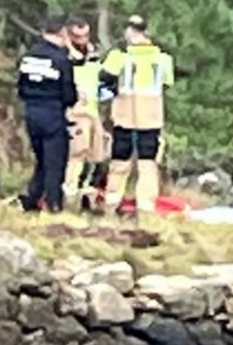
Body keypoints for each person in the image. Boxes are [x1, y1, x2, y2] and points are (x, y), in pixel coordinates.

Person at [99, 14, 174, 214]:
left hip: (124, 117)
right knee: (148, 164)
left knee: (119, 162)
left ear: (129, 31)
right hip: (151, 118)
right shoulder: (163, 59)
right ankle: (146, 207)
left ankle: (111, 203)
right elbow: (167, 83)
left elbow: (104, 80)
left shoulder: (119, 57)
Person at [16, 15, 78, 213]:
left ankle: (33, 199)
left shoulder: (29, 56)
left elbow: (21, 88)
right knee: (55, 162)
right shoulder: (60, 59)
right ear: (62, 33)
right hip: (52, 113)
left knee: (41, 159)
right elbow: (68, 94)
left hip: (31, 112)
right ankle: (53, 203)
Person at [64, 15, 110, 200]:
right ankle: (69, 190)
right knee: (77, 151)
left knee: (97, 153)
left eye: (85, 36)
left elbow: (98, 80)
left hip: (92, 110)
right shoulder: (64, 56)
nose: (82, 41)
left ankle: (87, 192)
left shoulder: (93, 55)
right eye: (77, 37)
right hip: (75, 111)